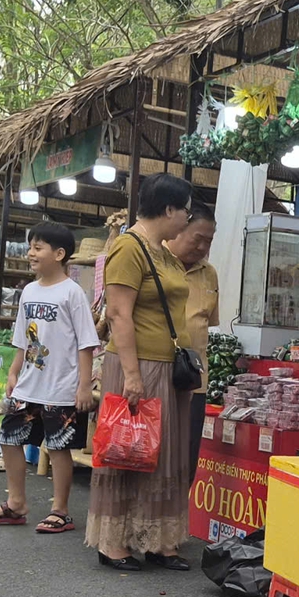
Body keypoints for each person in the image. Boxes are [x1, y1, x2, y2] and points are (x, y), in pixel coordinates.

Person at [90, 173, 195, 572]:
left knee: (161, 453)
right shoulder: (128, 249)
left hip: (168, 368)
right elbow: (118, 313)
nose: (187, 218)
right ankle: (114, 543)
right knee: (129, 450)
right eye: (184, 209)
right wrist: (132, 375)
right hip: (139, 366)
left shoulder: (163, 251)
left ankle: (157, 540)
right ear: (169, 209)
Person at [0, 222, 99, 533]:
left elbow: (86, 342)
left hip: (61, 386)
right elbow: (23, 338)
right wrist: (14, 371)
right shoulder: (29, 291)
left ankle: (61, 510)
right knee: (9, 437)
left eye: (37, 247)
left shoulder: (72, 293)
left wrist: (84, 385)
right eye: (30, 246)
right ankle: (16, 503)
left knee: (57, 447)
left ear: (59, 254)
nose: (31, 253)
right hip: (29, 383)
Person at [164, 202, 218, 483]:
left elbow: (207, 322)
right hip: (157, 376)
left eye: (209, 242)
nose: (202, 247)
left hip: (194, 381)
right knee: (151, 455)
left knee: (185, 463)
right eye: (198, 239)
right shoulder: (156, 262)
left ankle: (174, 524)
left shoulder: (209, 273)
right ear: (178, 229)